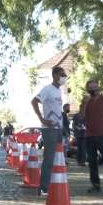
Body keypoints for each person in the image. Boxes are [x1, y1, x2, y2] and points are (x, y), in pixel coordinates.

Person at [31, 66, 66, 196]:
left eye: (64, 75)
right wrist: (42, 119)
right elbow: (34, 101)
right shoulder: (47, 89)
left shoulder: (59, 91)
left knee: (58, 159)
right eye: (62, 75)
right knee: (49, 158)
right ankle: (44, 187)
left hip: (58, 128)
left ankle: (54, 184)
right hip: (49, 129)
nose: (64, 77)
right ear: (55, 75)